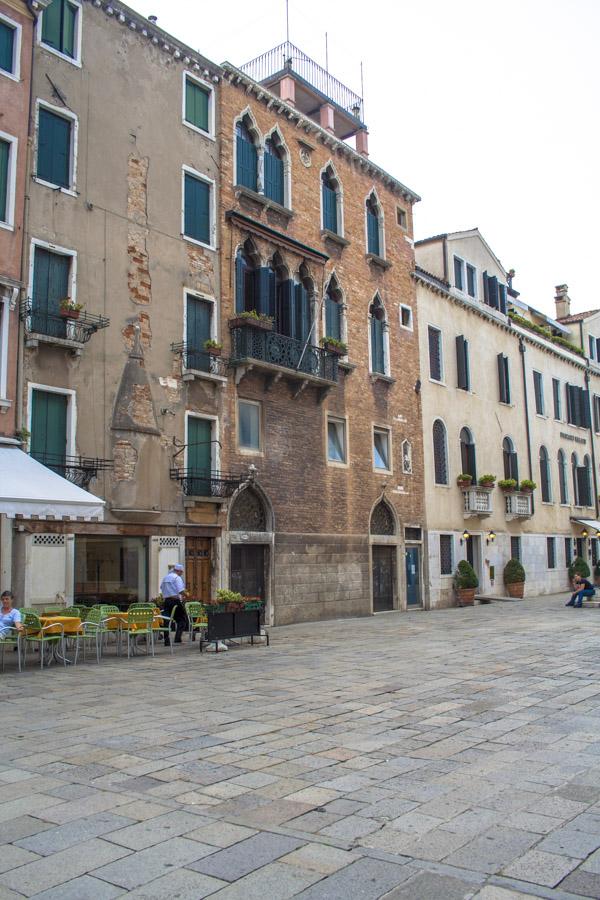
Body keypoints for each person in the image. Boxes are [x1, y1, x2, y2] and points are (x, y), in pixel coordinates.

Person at [159, 563, 186, 645]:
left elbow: (161, 587)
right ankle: (177, 638)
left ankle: (166, 640)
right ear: (178, 571)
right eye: (181, 572)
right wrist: (187, 594)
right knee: (182, 619)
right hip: (175, 601)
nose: (181, 574)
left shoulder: (165, 578)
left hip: (166, 601)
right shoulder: (177, 578)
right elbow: (181, 590)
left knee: (167, 620)